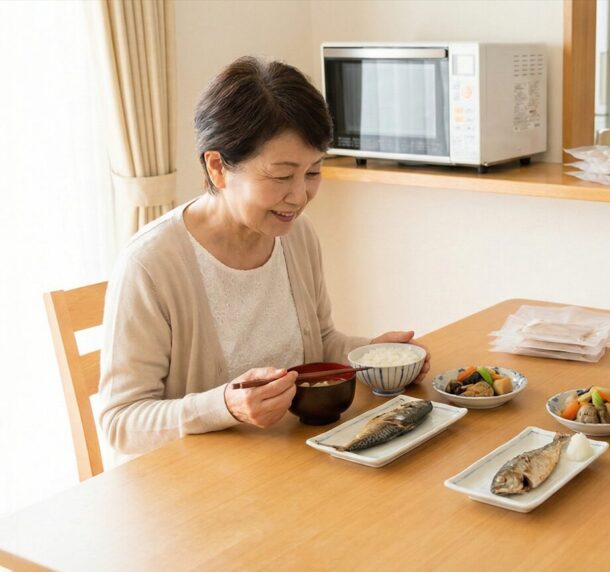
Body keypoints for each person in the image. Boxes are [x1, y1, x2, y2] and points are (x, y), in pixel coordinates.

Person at [98, 57, 430, 456]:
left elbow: (320, 344)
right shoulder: (151, 264)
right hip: (198, 491)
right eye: (281, 175)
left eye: (312, 172)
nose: (300, 195)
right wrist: (225, 406)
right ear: (218, 167)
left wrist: (374, 354)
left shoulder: (296, 236)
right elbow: (120, 423)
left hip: (290, 459)